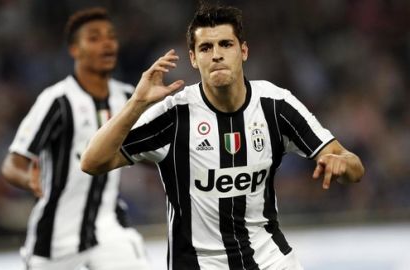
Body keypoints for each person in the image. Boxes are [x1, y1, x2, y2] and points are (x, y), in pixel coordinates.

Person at [80, 5, 364, 270]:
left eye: (225, 44)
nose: (216, 54)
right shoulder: (174, 115)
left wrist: (343, 165)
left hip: (269, 260)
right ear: (193, 58)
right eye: (205, 47)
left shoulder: (275, 105)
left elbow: (351, 165)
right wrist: (137, 103)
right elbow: (92, 161)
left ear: (243, 51)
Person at [1, 8, 150, 270]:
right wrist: (28, 179)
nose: (107, 44)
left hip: (109, 228)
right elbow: (12, 164)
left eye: (111, 37)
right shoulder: (57, 101)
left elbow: (155, 148)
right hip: (56, 237)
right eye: (94, 38)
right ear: (74, 50)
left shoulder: (129, 97)